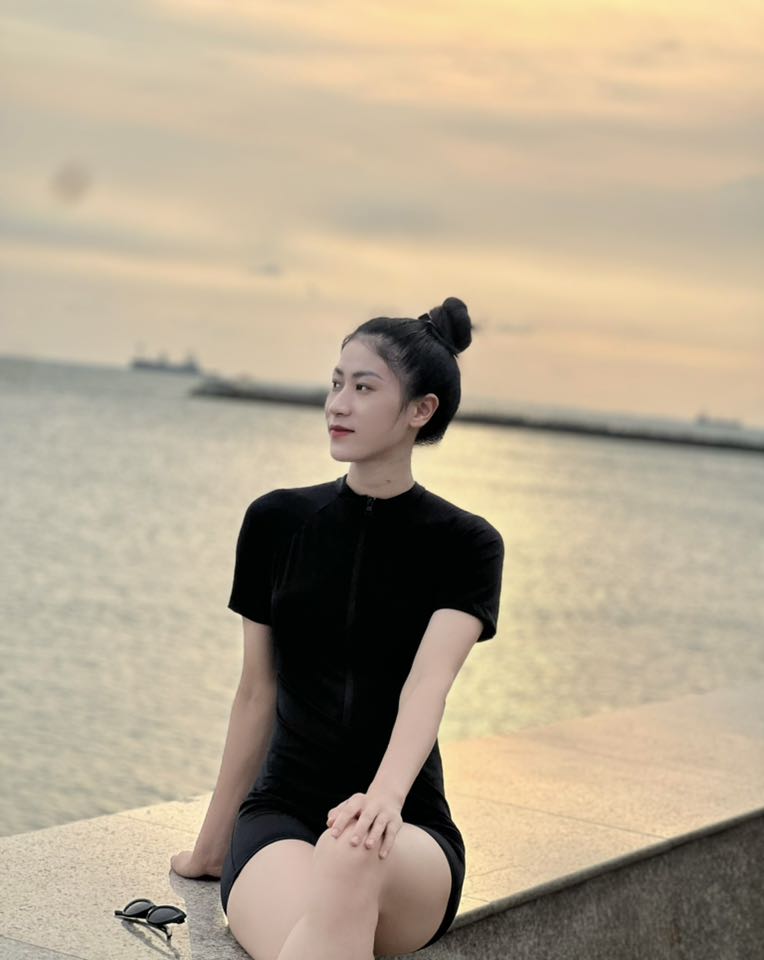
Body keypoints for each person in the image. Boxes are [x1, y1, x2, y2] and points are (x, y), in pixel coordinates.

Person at [170, 296, 505, 960]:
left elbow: (428, 686)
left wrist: (383, 800)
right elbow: (256, 693)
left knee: (352, 849)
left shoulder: (467, 545)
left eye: (363, 388)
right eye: (335, 383)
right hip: (281, 818)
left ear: (421, 410)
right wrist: (211, 846)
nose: (337, 405)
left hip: (407, 832)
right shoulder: (276, 523)